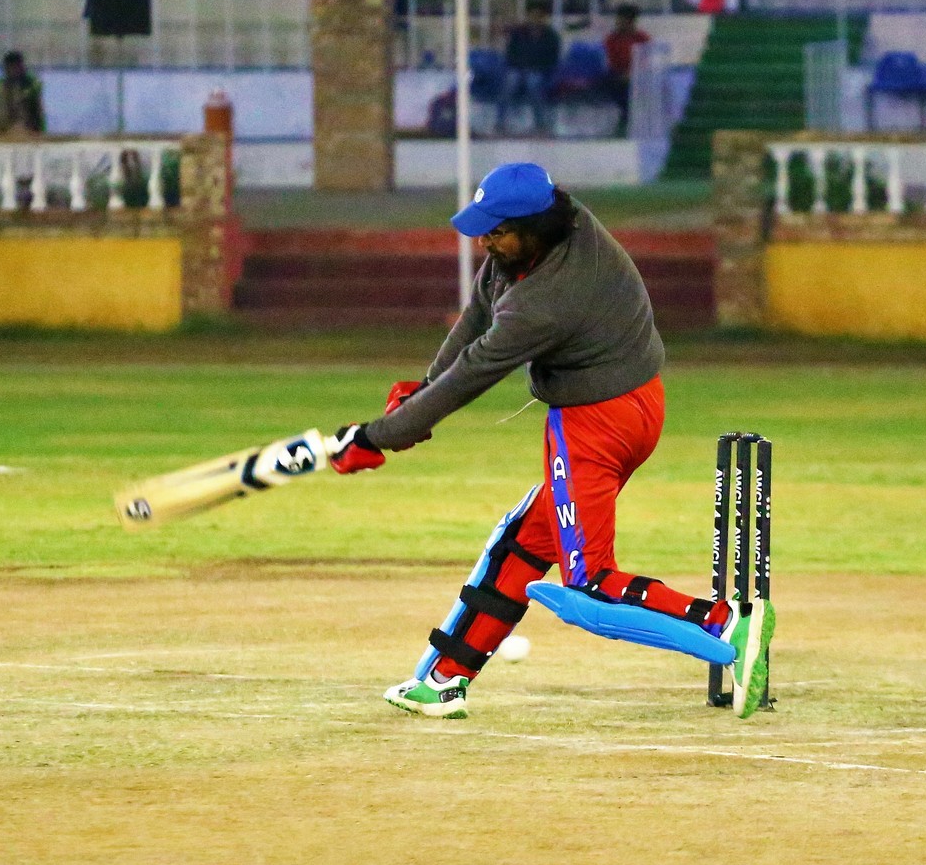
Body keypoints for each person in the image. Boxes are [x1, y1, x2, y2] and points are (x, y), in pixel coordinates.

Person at [327, 161, 774, 720]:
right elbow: (478, 314)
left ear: (534, 227)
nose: (486, 241)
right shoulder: (549, 226)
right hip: (630, 403)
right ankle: (444, 680)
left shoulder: (550, 297)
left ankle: (726, 624)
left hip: (597, 420)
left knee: (589, 585)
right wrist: (422, 390)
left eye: (497, 231)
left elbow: (477, 368)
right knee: (522, 542)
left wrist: (381, 436)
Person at [499, 1, 562, 134]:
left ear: (544, 17)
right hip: (518, 69)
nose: (535, 19)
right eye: (532, 16)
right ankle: (500, 124)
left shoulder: (551, 36)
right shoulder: (518, 34)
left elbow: (552, 59)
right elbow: (510, 55)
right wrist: (520, 66)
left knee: (533, 82)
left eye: (538, 16)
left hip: (540, 71)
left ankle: (540, 125)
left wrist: (535, 67)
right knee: (510, 82)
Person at [602, 3, 650, 137]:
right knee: (611, 81)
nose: (617, 22)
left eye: (621, 19)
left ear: (630, 21)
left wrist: (633, 73)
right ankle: (624, 114)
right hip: (618, 74)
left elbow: (646, 61)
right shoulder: (611, 39)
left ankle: (631, 115)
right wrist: (623, 74)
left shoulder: (642, 39)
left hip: (638, 74)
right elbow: (611, 61)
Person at [0, 51, 45, 136]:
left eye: (19, 66)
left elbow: (39, 116)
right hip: (2, 136)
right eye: (13, 67)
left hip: (26, 136)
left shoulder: (31, 87)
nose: (18, 69)